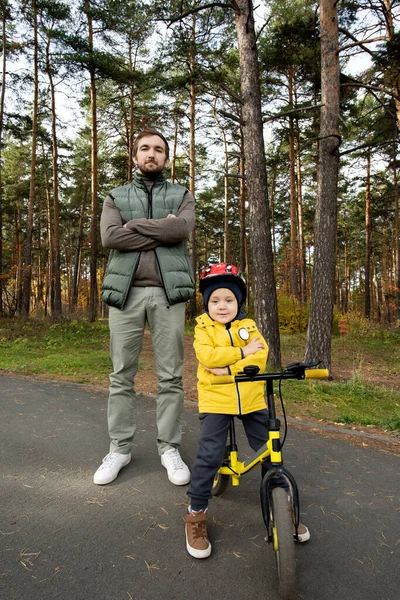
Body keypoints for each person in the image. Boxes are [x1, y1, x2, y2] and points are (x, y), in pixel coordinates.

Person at [185, 263, 310, 559]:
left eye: (229, 299)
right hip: (216, 399)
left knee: (270, 449)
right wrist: (242, 353)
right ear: (207, 304)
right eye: (215, 300)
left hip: (252, 398)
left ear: (239, 301)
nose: (222, 306)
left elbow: (261, 356)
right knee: (210, 454)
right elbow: (206, 356)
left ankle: (281, 511)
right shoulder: (203, 328)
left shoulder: (250, 327)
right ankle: (196, 513)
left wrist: (225, 366)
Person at [94, 128, 195, 487]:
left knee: (171, 376)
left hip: (168, 295)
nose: (151, 154)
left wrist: (132, 226)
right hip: (126, 294)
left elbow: (181, 230)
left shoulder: (181, 194)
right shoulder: (115, 195)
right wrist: (158, 229)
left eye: (158, 150)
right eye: (145, 149)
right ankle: (119, 449)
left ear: (166, 158)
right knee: (121, 375)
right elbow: (110, 237)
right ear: (135, 156)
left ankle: (169, 448)